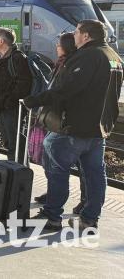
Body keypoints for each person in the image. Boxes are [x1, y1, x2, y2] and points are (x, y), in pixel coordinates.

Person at [24, 20, 122, 232]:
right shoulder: (114, 57)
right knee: (95, 175)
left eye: (77, 32)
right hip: (98, 129)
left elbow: (67, 89)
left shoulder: (88, 56)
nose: (74, 35)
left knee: (57, 170)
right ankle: (89, 219)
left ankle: (52, 216)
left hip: (74, 127)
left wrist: (35, 100)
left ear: (86, 36)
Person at [33, 33, 84, 207]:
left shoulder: (71, 64)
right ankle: (52, 193)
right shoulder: (61, 63)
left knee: (73, 164)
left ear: (66, 46)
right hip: (53, 118)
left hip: (65, 121)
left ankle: (79, 201)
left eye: (58, 44)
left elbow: (61, 92)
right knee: (50, 161)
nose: (56, 47)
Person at [0, 26, 32, 161]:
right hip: (2, 108)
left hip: (12, 109)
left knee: (16, 144)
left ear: (1, 41)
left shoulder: (17, 58)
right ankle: (13, 174)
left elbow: (24, 84)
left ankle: (19, 175)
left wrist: (7, 102)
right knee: (9, 143)